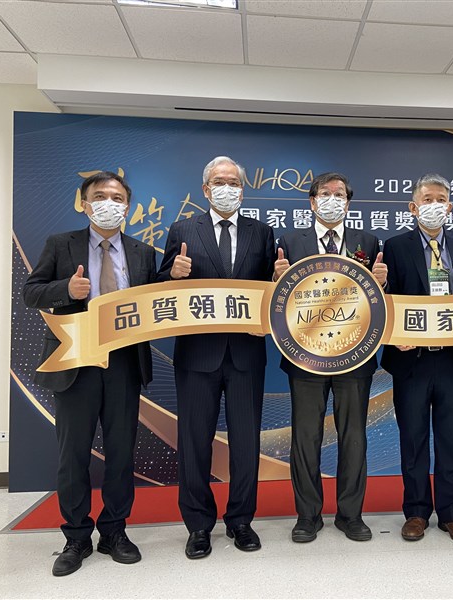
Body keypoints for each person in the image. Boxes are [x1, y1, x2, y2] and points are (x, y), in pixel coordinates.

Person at [23, 171, 157, 576]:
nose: (108, 203)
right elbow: (31, 292)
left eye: (117, 197)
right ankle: (76, 536)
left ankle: (114, 530)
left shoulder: (142, 252)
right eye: (99, 196)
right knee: (73, 454)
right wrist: (66, 290)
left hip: (124, 363)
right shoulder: (60, 243)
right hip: (75, 361)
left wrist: (176, 279)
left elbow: (155, 302)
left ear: (128, 206)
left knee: (121, 452)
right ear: (84, 203)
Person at [158, 156, 275, 558]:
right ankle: (198, 525)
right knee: (194, 442)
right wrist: (172, 274)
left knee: (246, 442)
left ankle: (241, 520)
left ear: (243, 189)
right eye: (219, 182)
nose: (227, 188)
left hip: (246, 353)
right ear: (206, 189)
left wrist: (279, 279)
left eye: (234, 182)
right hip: (197, 353)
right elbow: (158, 288)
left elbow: (271, 290)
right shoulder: (183, 229)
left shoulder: (262, 232)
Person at [273, 172, 387, 543]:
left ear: (349, 203)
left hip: (355, 354)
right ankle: (307, 516)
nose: (333, 199)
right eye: (326, 193)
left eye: (340, 194)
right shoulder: (290, 242)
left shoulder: (368, 242)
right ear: (312, 201)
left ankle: (350, 515)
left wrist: (382, 282)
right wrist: (275, 278)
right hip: (304, 356)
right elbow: (275, 302)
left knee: (353, 436)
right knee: (305, 436)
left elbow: (377, 302)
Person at [380, 174, 453, 545]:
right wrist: (395, 335)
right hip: (412, 361)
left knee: (452, 440)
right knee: (414, 438)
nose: (434, 205)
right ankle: (417, 512)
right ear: (413, 207)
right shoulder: (394, 246)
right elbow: (383, 299)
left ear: (450, 207)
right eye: (427, 199)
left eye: (441, 199)